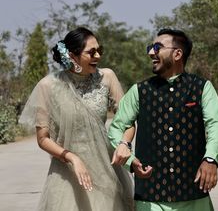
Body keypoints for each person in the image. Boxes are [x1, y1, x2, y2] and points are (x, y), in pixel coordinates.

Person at [108, 28, 218, 211]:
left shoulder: (202, 88)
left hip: (194, 197)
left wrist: (211, 160)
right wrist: (129, 157)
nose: (151, 53)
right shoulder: (139, 91)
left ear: (177, 54)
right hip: (150, 199)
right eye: (150, 47)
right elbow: (117, 127)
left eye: (157, 47)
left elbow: (215, 126)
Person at [19, 26, 134, 211]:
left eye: (99, 50)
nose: (98, 56)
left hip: (105, 170)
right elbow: (43, 139)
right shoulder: (48, 86)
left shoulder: (107, 77)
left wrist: (124, 143)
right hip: (67, 173)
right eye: (92, 52)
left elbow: (127, 120)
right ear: (72, 56)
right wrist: (72, 158)